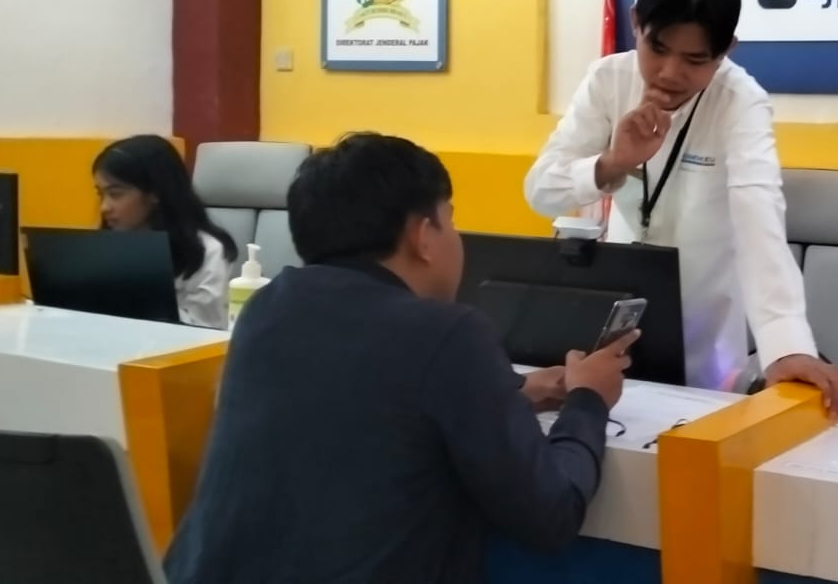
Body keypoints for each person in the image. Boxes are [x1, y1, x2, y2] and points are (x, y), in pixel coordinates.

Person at [164, 132, 635, 583]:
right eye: (450, 220)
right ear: (422, 235)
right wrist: (588, 401)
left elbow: (364, 398)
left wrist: (511, 392)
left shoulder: (266, 308)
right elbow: (551, 513)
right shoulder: (447, 333)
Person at [524, 0, 838, 416]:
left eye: (695, 59)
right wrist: (612, 163)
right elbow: (541, 190)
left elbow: (758, 215)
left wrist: (786, 345)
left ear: (726, 50)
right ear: (636, 23)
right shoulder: (608, 81)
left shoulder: (740, 102)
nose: (670, 73)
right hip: (617, 327)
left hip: (706, 339)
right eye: (657, 49)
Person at [93, 135, 238, 328]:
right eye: (100, 194)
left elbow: (204, 327)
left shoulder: (207, 251)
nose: (104, 207)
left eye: (115, 194)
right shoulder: (106, 246)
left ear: (155, 193)